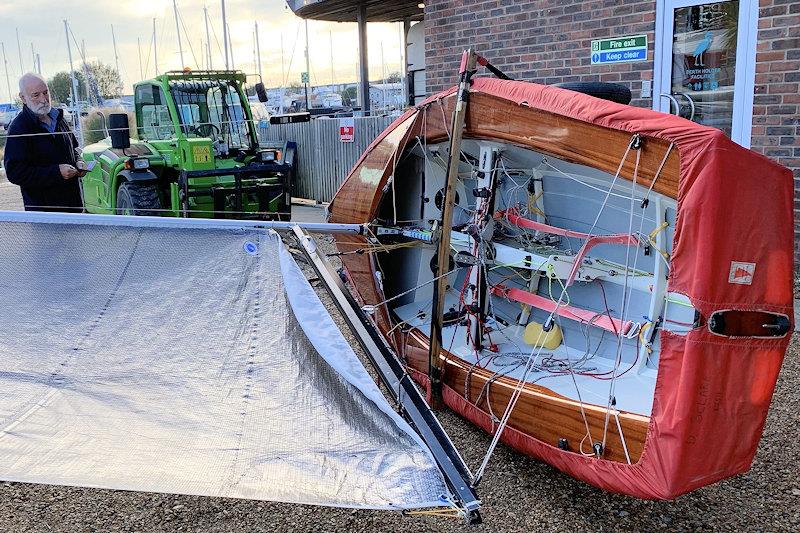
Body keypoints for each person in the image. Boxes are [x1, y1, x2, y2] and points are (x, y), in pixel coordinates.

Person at [3, 72, 84, 212]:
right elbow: (14, 172)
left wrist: (79, 162)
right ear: (23, 98)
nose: (44, 99)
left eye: (46, 93)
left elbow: (74, 149)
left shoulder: (59, 118)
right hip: (44, 215)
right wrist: (56, 173)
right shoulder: (18, 128)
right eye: (36, 95)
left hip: (74, 208)